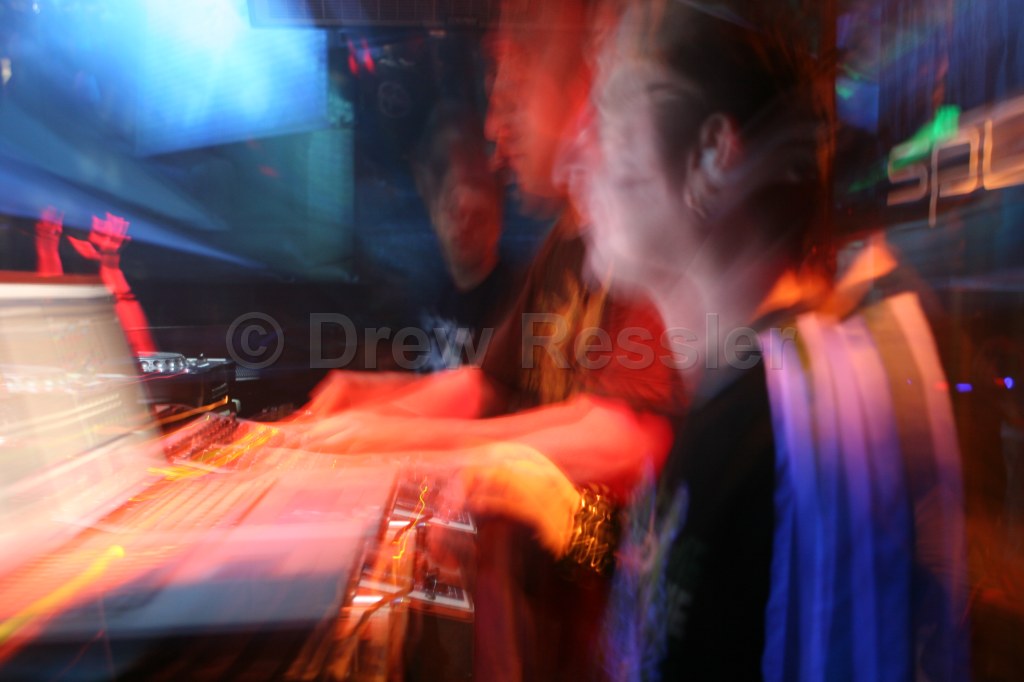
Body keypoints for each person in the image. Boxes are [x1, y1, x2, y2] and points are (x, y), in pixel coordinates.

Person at [453, 1, 970, 680]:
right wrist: (558, 509)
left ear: (711, 158)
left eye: (610, 118)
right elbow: (687, 579)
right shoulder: (738, 393)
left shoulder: (804, 428)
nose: (576, 153)